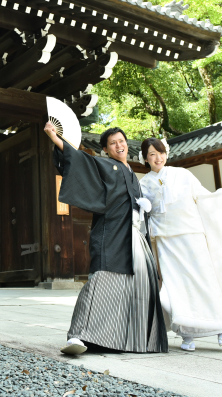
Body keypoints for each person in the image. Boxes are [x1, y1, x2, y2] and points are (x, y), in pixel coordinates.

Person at [44, 122, 168, 355]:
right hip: (111, 232)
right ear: (105, 150)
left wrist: (143, 208)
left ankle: (125, 339)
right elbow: (79, 159)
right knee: (101, 280)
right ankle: (79, 335)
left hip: (132, 234)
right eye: (113, 143)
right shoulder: (105, 164)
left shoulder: (131, 171)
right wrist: (54, 137)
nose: (119, 145)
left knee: (134, 286)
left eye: (121, 141)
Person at [138, 137, 222, 352]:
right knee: (176, 285)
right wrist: (142, 207)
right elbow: (141, 213)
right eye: (152, 154)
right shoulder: (143, 184)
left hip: (191, 234)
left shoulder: (182, 174)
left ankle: (221, 328)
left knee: (204, 279)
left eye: (160, 152)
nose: (157, 157)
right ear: (145, 158)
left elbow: (205, 197)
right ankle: (187, 334)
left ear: (166, 153)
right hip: (165, 239)